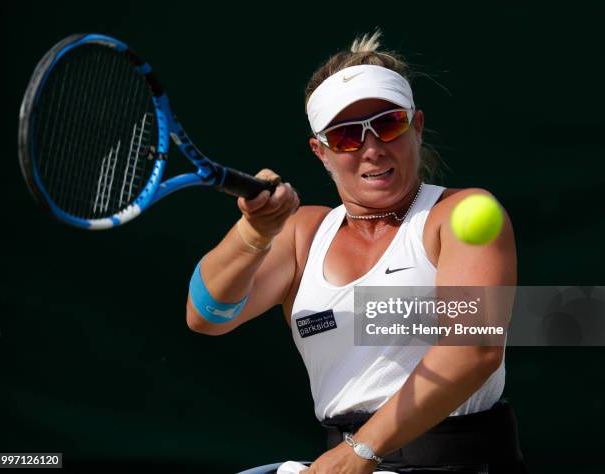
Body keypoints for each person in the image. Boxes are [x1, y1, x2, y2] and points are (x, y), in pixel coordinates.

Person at [186, 31, 526, 474]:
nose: (371, 148)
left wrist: (362, 450)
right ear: (320, 151)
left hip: (456, 462)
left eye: (387, 124)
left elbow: (474, 347)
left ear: (416, 126)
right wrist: (253, 230)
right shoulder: (301, 233)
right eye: (346, 135)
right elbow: (207, 316)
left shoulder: (462, 213)